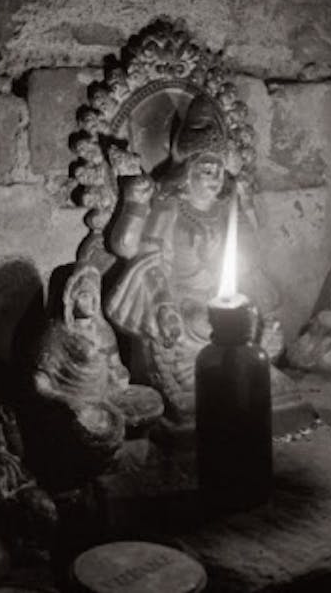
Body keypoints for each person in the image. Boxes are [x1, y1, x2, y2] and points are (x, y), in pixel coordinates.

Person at [106, 93, 282, 421]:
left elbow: (250, 253)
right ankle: (199, 384)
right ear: (187, 172)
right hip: (180, 302)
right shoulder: (169, 206)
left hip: (219, 299)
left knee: (260, 321)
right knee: (194, 329)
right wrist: (164, 303)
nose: (215, 179)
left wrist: (245, 204)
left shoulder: (225, 208)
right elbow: (145, 256)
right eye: (207, 170)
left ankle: (247, 377)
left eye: (219, 171)